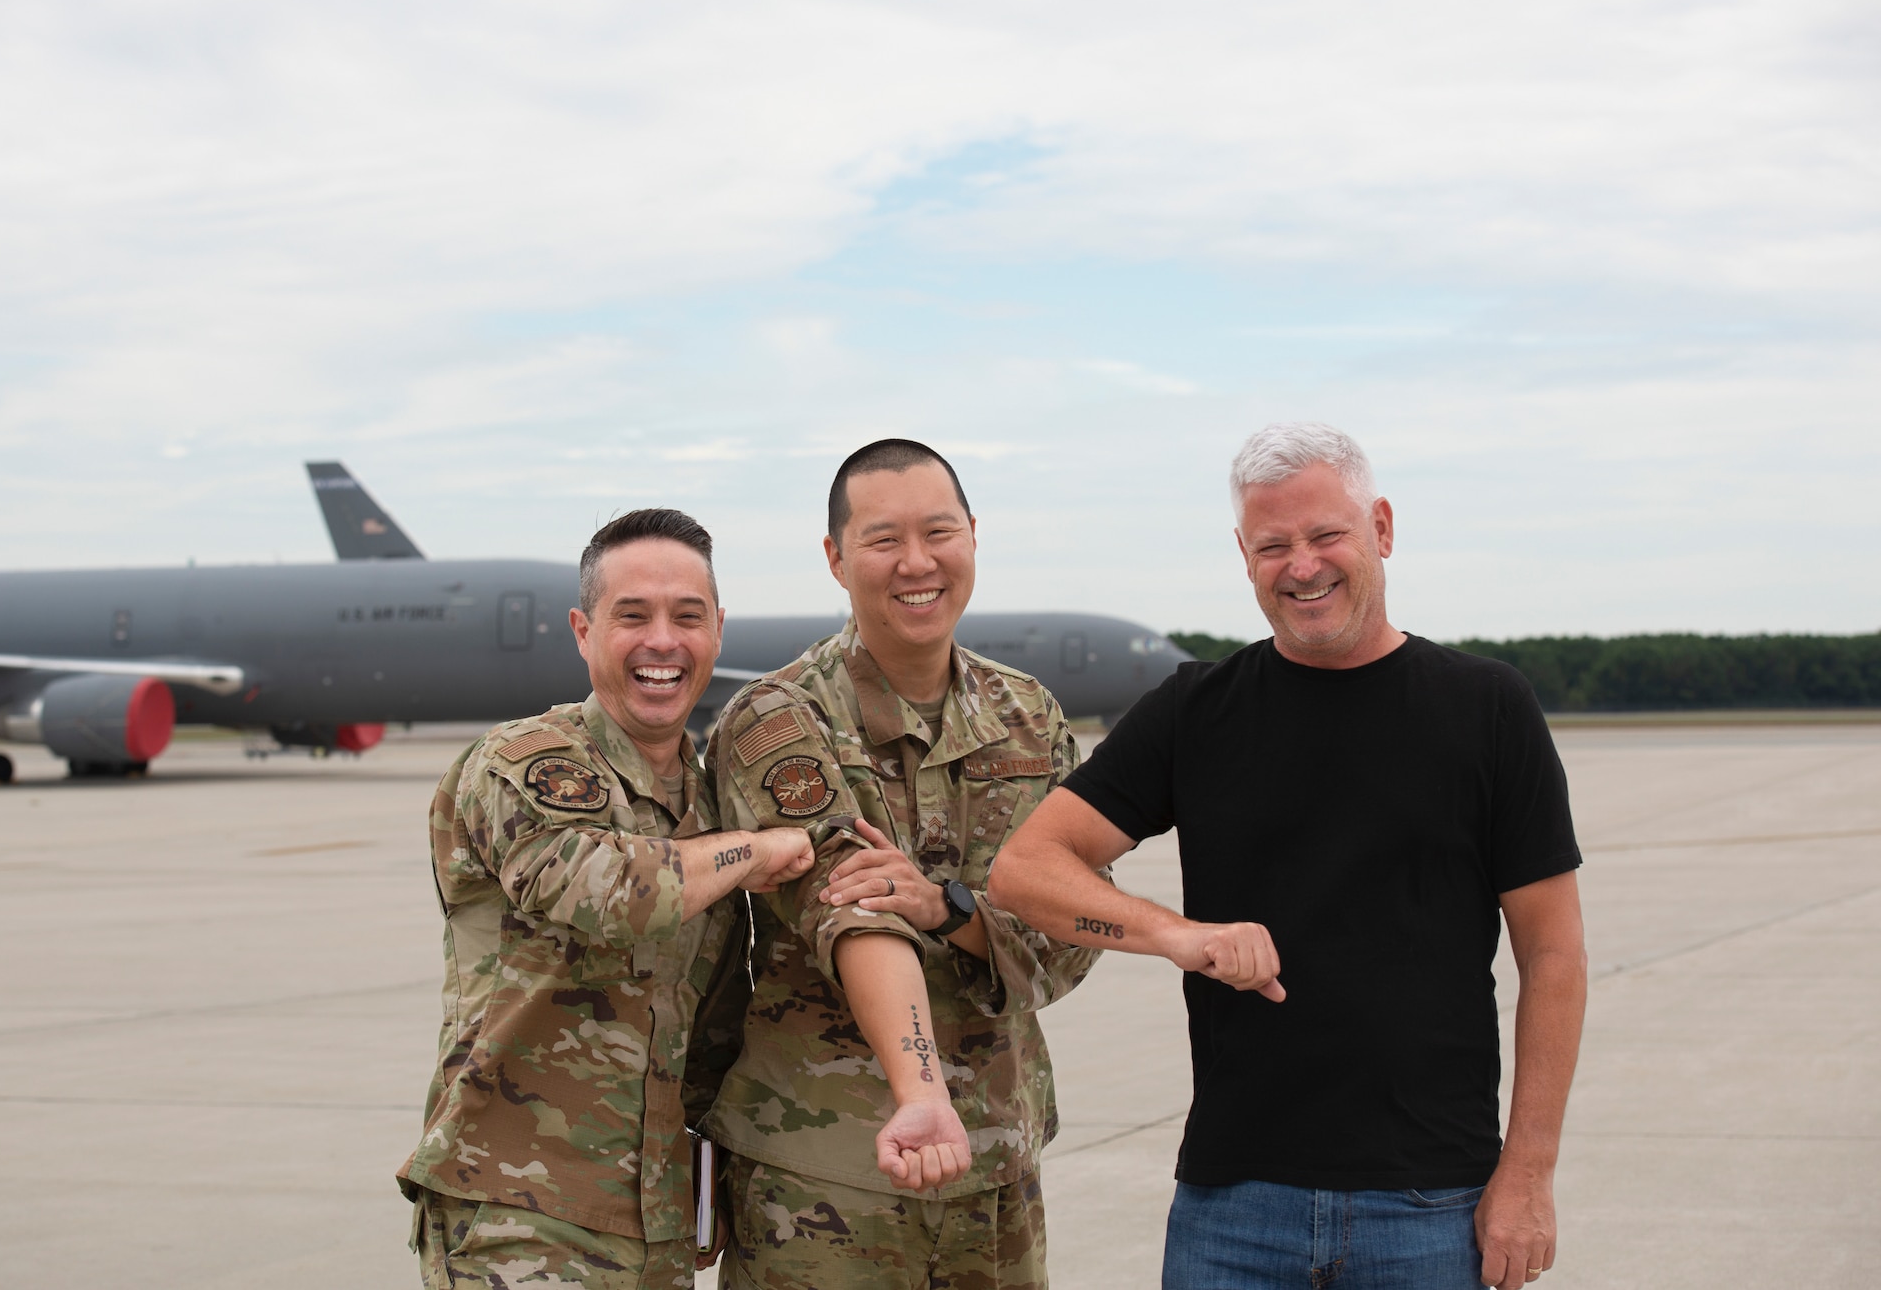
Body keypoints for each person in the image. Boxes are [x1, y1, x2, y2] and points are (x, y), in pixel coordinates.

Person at [988, 422, 1588, 1290]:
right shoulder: (1198, 710)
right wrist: (1177, 934)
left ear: (1380, 528)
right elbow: (1024, 869)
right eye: (1274, 545)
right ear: (1245, 555)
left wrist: (1527, 1172)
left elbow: (1555, 954)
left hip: (1431, 1202)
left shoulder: (1487, 707)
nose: (1301, 565)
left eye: (1325, 535)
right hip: (1234, 1208)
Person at [699, 439, 1102, 1290]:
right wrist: (923, 1079)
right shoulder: (777, 716)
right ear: (836, 558)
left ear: (974, 536)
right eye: (883, 540)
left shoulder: (1029, 716)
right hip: (825, 1178)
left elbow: (1073, 935)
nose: (916, 563)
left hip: (996, 1169)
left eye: (939, 532)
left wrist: (951, 910)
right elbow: (851, 904)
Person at [398, 508, 816, 1290]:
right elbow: (604, 888)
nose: (663, 641)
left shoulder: (712, 797)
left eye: (687, 617)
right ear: (583, 630)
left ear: (718, 630)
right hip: (520, 1212)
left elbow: (716, 1023)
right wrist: (753, 850)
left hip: (657, 1218)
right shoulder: (525, 761)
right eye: (633, 616)